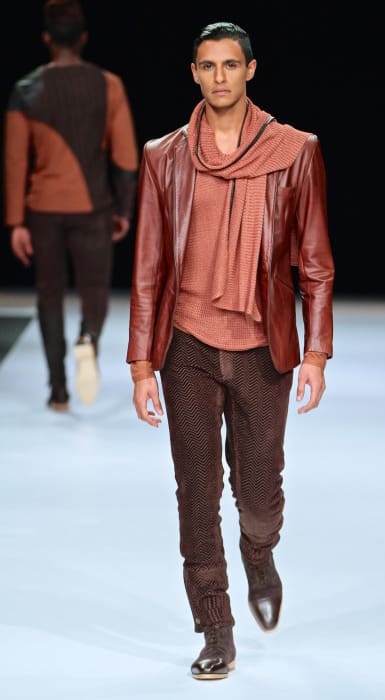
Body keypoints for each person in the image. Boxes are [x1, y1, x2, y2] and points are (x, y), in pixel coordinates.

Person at [127, 21, 334, 680]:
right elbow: (148, 267)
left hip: (261, 346)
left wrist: (316, 353)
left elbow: (314, 261)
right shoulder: (163, 156)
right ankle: (215, 626)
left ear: (250, 70)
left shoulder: (295, 151)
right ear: (193, 73)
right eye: (207, 65)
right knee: (196, 492)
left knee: (259, 493)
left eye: (229, 65)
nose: (219, 76)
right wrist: (140, 365)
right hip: (185, 344)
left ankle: (259, 550)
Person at [3, 0, 139, 411]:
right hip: (94, 206)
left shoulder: (25, 90)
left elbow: (15, 161)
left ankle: (58, 391)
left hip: (42, 209)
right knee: (94, 289)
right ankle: (88, 338)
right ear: (83, 38)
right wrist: (124, 209)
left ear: (46, 39)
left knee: (49, 293)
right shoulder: (109, 85)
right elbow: (126, 157)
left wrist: (15, 222)